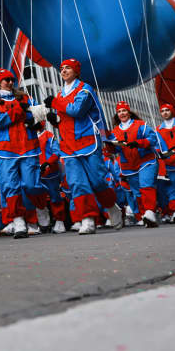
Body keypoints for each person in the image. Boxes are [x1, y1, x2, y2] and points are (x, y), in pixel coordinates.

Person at [44, 59, 123, 234]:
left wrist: (55, 104)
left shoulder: (85, 89)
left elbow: (76, 110)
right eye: (62, 68)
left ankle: (111, 207)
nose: (63, 70)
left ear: (76, 72)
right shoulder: (59, 94)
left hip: (88, 141)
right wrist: (55, 122)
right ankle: (87, 218)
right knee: (77, 183)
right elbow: (65, 119)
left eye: (68, 68)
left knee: (97, 180)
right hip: (68, 145)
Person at [0, 69, 48, 239]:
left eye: (12, 79)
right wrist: (22, 111)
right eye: (6, 80)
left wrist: (34, 122)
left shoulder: (26, 97)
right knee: (11, 186)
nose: (10, 82)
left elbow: (38, 118)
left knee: (32, 184)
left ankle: (41, 207)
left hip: (28, 147)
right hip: (6, 151)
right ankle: (18, 220)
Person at [109, 102, 159, 227]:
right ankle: (145, 215)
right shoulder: (114, 132)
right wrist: (111, 146)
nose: (122, 113)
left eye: (124, 110)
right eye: (119, 111)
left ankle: (150, 212)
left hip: (145, 160)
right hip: (129, 166)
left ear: (129, 112)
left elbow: (153, 138)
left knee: (146, 185)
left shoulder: (141, 125)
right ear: (117, 114)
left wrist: (139, 143)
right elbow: (114, 151)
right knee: (137, 192)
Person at [37, 118, 67, 234]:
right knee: (37, 196)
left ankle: (60, 221)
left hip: (50, 173)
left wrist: (48, 163)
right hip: (35, 172)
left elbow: (56, 152)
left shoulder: (49, 136)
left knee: (55, 197)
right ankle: (42, 222)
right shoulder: (28, 136)